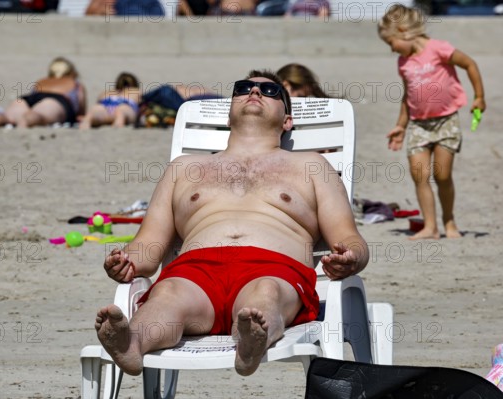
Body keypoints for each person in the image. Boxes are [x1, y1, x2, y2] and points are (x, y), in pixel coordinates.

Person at [95, 70, 369, 377]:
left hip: (274, 268)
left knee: (264, 295)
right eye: (244, 88)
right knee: (167, 294)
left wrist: (352, 256)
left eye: (270, 91)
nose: (254, 92)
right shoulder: (184, 169)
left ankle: (249, 342)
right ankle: (132, 344)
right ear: (228, 115)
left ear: (287, 121)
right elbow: (148, 247)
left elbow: (348, 236)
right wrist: (126, 261)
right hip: (194, 271)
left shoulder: (312, 166)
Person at [378, 4, 486, 240]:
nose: (392, 50)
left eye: (391, 43)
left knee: (443, 176)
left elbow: (470, 64)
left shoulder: (438, 49)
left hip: (446, 122)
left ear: (404, 30)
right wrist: (401, 126)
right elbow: (407, 96)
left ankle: (449, 221)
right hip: (418, 125)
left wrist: (479, 96)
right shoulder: (403, 63)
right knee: (420, 175)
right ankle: (430, 227)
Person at [0, 57, 86, 129]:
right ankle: (24, 121)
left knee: (7, 117)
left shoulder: (41, 81)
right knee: (38, 117)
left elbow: (34, 94)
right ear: (72, 72)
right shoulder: (76, 84)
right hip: (56, 101)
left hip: (28, 98)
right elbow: (80, 112)